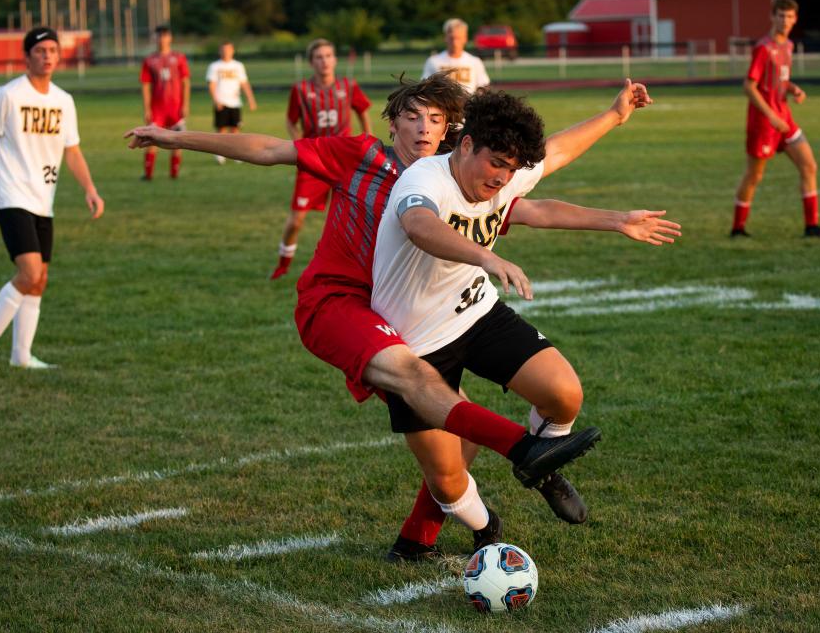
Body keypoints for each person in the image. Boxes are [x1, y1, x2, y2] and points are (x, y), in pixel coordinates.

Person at [124, 75, 655, 559]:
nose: (425, 128)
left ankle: (427, 533)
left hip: (449, 309)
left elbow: (541, 178)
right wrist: (176, 137)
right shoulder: (373, 162)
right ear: (393, 120)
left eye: (437, 119)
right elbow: (269, 148)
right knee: (437, 414)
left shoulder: (475, 173)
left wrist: (613, 122)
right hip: (357, 306)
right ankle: (498, 504)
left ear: (455, 131)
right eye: (413, 115)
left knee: (489, 421)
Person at [372, 89, 681, 561]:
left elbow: (556, 154)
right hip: (414, 347)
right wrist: (485, 256)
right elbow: (418, 225)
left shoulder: (505, 172)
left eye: (512, 170)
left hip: (473, 313)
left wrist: (616, 120)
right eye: (496, 163)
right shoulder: (425, 177)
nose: (503, 178)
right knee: (449, 479)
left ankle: (541, 464)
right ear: (467, 145)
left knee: (564, 394)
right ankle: (483, 525)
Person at [0, 27, 104, 377]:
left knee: (40, 279)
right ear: (27, 56)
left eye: (53, 50)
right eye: (40, 50)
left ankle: (21, 356)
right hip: (11, 195)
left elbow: (71, 150)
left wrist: (90, 188)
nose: (47, 56)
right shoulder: (8, 95)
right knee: (28, 271)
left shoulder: (63, 100)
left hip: (44, 199)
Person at [731, 0, 820, 239]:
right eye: (781, 15)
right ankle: (738, 228)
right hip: (763, 124)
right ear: (772, 17)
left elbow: (781, 79)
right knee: (754, 175)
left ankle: (811, 226)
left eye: (790, 16)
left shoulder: (788, 46)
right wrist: (770, 116)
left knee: (809, 165)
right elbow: (749, 86)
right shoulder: (764, 47)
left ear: (795, 18)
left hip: (784, 120)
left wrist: (793, 89)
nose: (785, 20)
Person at [271, 38, 372, 280]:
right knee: (296, 220)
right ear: (311, 62)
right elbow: (290, 121)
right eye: (319, 57)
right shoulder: (301, 90)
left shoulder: (348, 86)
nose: (324, 61)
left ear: (334, 60)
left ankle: (359, 266)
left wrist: (366, 138)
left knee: (357, 217)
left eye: (328, 55)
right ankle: (283, 263)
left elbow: (363, 111)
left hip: (345, 160)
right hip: (313, 159)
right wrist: (299, 144)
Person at [140, 25, 190, 180]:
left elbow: (185, 82)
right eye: (159, 36)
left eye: (165, 35)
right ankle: (148, 175)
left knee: (178, 140)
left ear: (170, 38)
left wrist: (186, 104)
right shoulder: (150, 60)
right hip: (157, 109)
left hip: (175, 107)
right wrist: (147, 108)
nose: (162, 39)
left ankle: (174, 174)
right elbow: (146, 85)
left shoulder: (179, 58)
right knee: (151, 140)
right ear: (155, 38)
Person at [206, 41, 257, 165]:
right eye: (223, 50)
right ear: (219, 51)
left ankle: (236, 154)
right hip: (222, 102)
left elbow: (244, 83)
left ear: (233, 51)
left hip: (235, 102)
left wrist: (251, 99)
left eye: (228, 49)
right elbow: (211, 85)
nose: (226, 52)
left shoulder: (238, 66)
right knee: (221, 130)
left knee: (235, 129)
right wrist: (216, 100)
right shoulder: (215, 66)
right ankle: (220, 154)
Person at [422, 18, 490, 95]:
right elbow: (425, 87)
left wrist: (475, 100)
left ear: (465, 38)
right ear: (445, 38)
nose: (455, 42)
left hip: (468, 105)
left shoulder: (475, 62)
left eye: (458, 38)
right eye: (452, 38)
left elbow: (483, 86)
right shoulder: (433, 61)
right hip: (442, 105)